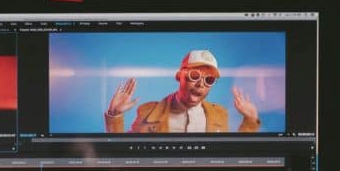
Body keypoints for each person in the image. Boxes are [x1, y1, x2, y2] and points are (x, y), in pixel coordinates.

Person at [104, 49, 261, 133]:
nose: (201, 84)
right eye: (195, 75)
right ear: (179, 76)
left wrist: (251, 120)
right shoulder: (147, 112)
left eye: (209, 80)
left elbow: (232, 156)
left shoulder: (220, 114)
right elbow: (126, 155)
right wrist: (114, 115)